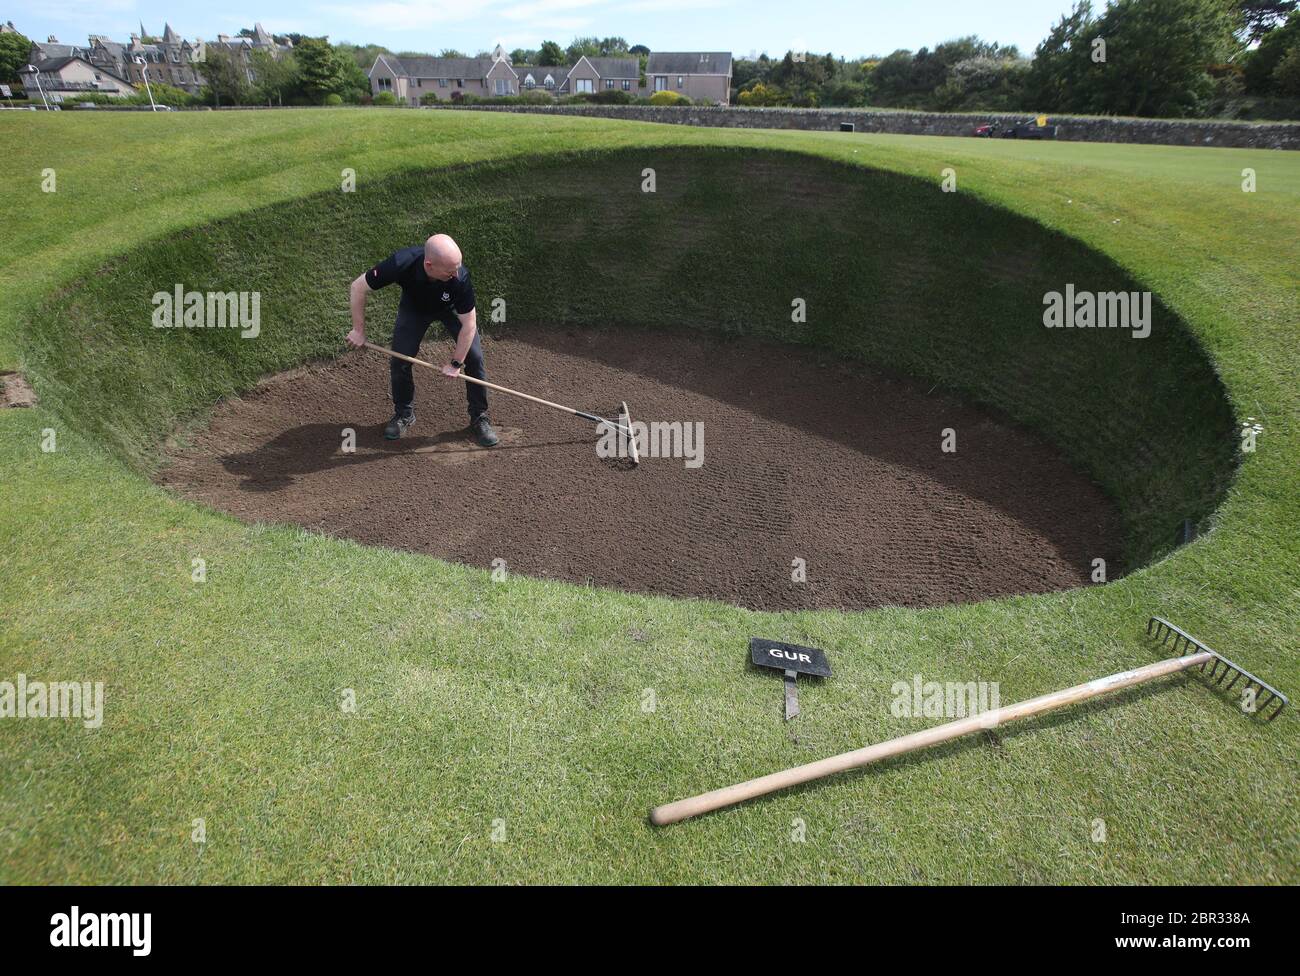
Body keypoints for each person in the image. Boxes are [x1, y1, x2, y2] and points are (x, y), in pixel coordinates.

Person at [345, 233, 498, 446]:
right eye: (450, 270)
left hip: (450, 309)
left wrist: (456, 363)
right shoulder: (401, 263)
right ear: (429, 264)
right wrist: (358, 330)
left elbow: (469, 324)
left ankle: (479, 416)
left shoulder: (459, 277)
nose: (456, 273)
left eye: (457, 267)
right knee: (400, 359)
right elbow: (358, 287)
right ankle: (403, 414)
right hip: (415, 308)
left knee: (474, 357)